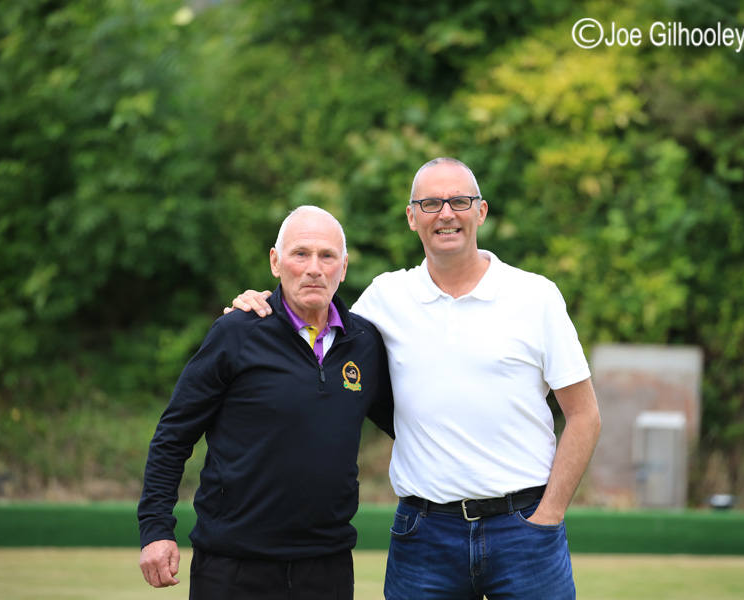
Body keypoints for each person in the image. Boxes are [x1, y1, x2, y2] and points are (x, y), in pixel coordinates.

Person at [228, 158, 602, 599]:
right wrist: (259, 306)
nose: (446, 213)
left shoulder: (535, 296)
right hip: (424, 534)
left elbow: (584, 415)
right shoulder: (386, 298)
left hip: (524, 529)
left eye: (459, 201)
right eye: (430, 203)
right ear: (411, 217)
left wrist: (550, 513)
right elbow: (313, 331)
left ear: (480, 211)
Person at [138, 206, 394, 600]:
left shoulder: (366, 344)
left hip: (327, 566)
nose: (314, 268)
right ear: (275, 262)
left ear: (343, 267)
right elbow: (173, 435)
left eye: (327, 256)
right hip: (232, 566)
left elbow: (413, 425)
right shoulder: (236, 332)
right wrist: (156, 530)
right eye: (300, 254)